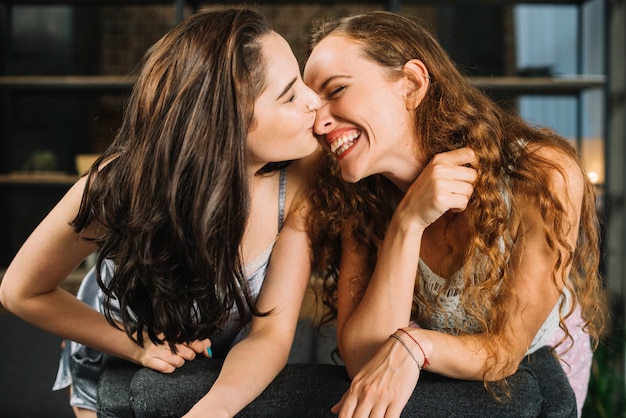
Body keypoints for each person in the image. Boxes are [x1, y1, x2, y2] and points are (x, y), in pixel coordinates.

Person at [0, 8, 323, 418]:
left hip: (211, 371)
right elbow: (20, 291)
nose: (314, 101)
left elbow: (270, 335)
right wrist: (136, 343)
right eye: (291, 95)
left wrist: (215, 411)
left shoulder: (296, 184)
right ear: (225, 120)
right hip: (112, 358)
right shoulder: (120, 183)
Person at [303, 10, 607, 418]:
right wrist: (408, 220)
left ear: (411, 84)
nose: (319, 122)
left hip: (536, 381)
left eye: (335, 90)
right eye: (311, 103)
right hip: (439, 377)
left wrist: (414, 344)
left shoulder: (542, 176)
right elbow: (361, 356)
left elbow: (504, 351)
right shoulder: (362, 200)